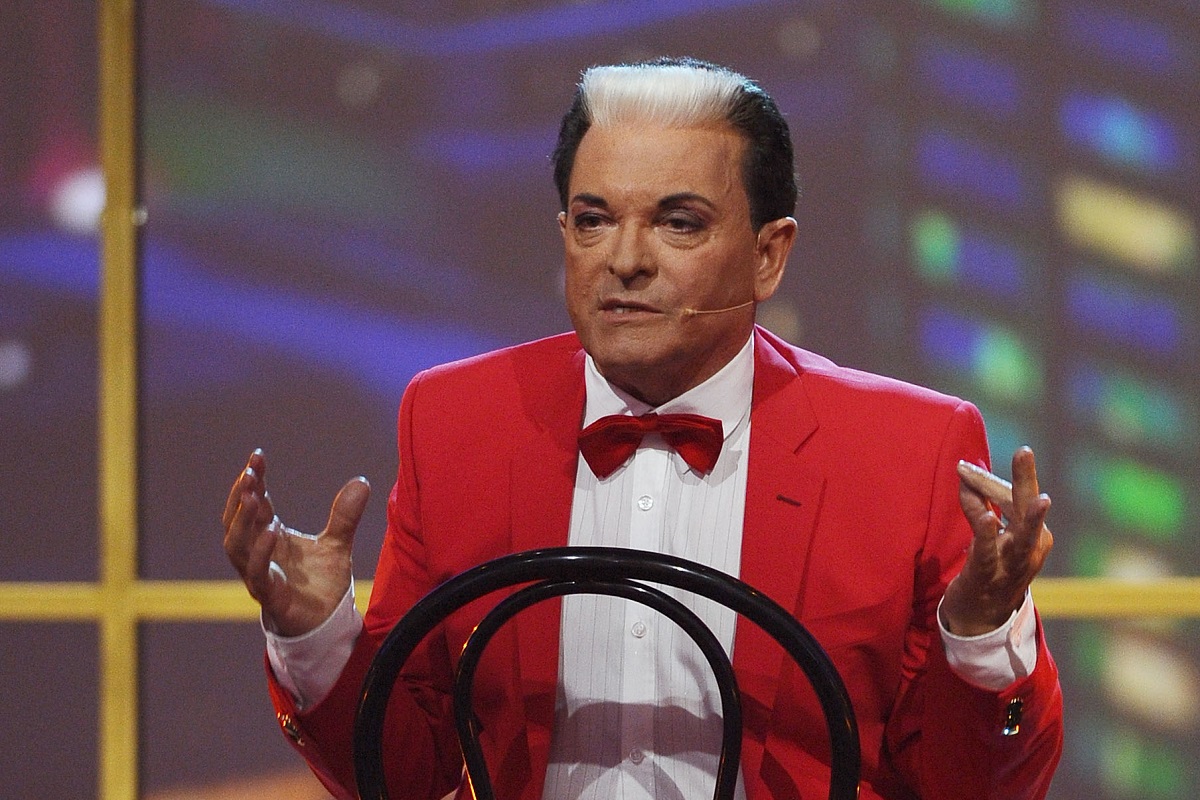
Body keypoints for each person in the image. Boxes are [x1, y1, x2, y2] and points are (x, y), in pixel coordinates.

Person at [223, 57, 1062, 800]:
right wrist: (317, 635)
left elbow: (972, 789)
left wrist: (981, 634)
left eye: (678, 222)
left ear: (768, 254)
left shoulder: (908, 449)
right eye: (593, 220)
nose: (624, 260)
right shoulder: (456, 422)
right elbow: (405, 774)